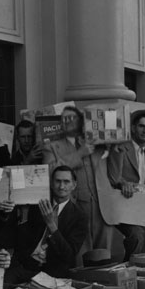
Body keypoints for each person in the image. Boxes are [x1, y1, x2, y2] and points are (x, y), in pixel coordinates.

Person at [42, 106, 111, 257]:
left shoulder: (97, 142)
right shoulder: (52, 146)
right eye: (64, 118)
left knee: (103, 252)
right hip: (74, 205)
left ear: (81, 121)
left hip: (101, 205)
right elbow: (48, 170)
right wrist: (79, 153)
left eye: (71, 117)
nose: (67, 121)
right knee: (80, 251)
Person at [4, 165, 88, 286]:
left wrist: (51, 224)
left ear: (74, 185)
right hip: (26, 267)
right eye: (57, 181)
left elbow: (69, 256)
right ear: (51, 183)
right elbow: (18, 234)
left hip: (54, 273)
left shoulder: (80, 216)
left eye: (66, 182)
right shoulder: (36, 204)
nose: (61, 186)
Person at [107, 109, 145, 259]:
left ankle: (134, 273)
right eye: (141, 126)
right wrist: (124, 183)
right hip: (122, 203)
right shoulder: (120, 147)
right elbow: (112, 176)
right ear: (133, 127)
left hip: (143, 207)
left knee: (143, 244)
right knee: (137, 236)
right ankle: (128, 269)